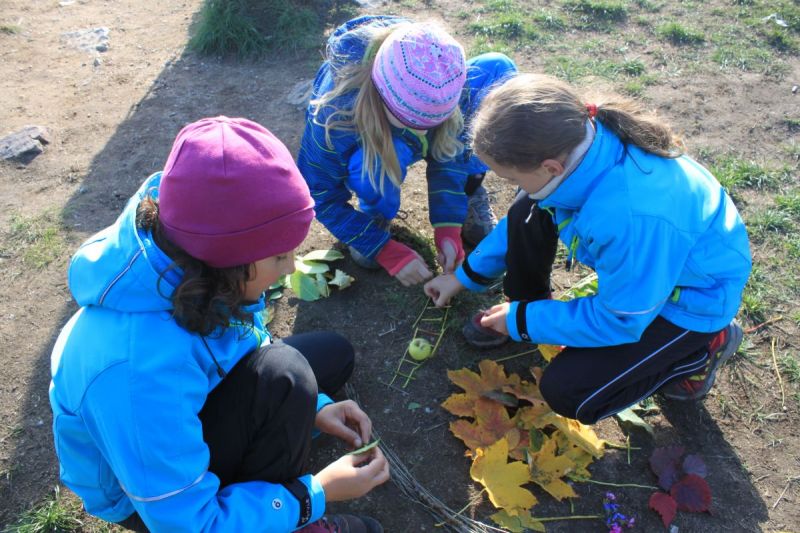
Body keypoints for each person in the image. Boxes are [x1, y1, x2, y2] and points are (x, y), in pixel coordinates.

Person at [49, 117, 389, 532]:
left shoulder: (195, 261)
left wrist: (317, 409)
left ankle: (282, 449)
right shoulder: (137, 374)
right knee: (289, 372)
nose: (290, 269)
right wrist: (314, 494)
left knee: (328, 359)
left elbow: (245, 341)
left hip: (188, 396)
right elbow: (190, 525)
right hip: (152, 502)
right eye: (280, 257)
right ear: (231, 261)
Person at [424, 74, 752, 424]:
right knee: (527, 209)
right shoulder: (578, 146)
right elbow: (522, 218)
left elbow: (621, 320)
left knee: (569, 393)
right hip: (648, 275)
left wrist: (523, 321)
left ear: (551, 167)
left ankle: (700, 352)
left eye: (514, 179)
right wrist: (461, 278)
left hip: (688, 303)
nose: (515, 187)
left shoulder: (631, 218)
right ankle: (530, 309)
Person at [297, 15, 517, 286]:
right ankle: (374, 216)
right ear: (383, 98)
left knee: (497, 71)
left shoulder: (434, 67)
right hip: (370, 140)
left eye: (434, 123)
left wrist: (448, 224)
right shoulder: (333, 120)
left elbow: (447, 150)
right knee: (373, 167)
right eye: (415, 124)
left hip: (406, 121)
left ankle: (469, 190)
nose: (425, 132)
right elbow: (320, 196)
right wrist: (382, 249)